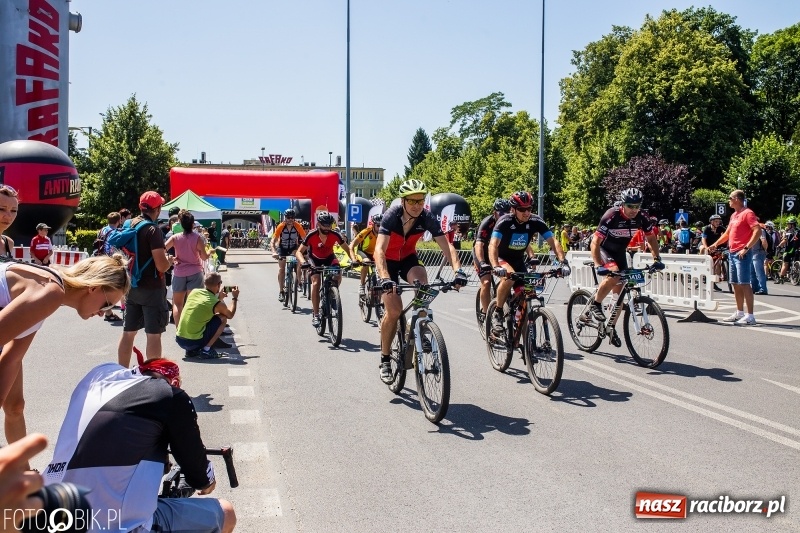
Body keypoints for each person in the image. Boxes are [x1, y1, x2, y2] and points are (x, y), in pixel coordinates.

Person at [44, 353, 236, 533]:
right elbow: (200, 476)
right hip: (114, 525)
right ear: (173, 382)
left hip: (50, 512)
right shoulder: (169, 395)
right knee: (226, 513)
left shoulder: (99, 375)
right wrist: (207, 481)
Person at [0, 248, 129, 449]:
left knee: (15, 406)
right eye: (106, 305)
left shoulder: (52, 292)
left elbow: (12, 358)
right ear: (94, 287)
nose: (104, 313)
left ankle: (23, 472)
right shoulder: (51, 292)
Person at [373, 179, 468, 382]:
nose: (417, 205)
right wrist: (384, 278)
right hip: (387, 263)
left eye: (420, 200)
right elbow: (379, 250)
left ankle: (419, 325)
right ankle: (385, 359)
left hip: (408, 259)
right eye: (412, 201)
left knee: (423, 284)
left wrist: (458, 271)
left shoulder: (426, 217)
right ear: (404, 201)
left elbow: (447, 246)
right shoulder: (392, 216)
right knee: (394, 310)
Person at [487, 191, 569, 335]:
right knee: (509, 277)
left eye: (529, 209)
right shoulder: (505, 221)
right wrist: (495, 266)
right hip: (502, 258)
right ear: (513, 209)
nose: (526, 213)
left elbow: (553, 243)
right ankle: (498, 312)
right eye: (522, 209)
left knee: (528, 291)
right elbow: (493, 245)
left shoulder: (535, 221)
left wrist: (563, 262)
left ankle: (522, 330)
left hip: (518, 260)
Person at [586, 188, 662, 325]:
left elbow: (651, 239)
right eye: (630, 206)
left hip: (620, 251)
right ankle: (596, 304)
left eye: (637, 206)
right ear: (623, 204)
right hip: (603, 248)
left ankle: (611, 328)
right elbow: (595, 243)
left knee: (619, 295)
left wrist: (656, 259)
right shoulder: (612, 215)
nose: (634, 210)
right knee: (614, 273)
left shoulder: (642, 216)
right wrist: (598, 265)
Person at [118, 191, 173, 367]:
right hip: (152, 288)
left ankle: (122, 373)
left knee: (128, 333)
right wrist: (169, 261)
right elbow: (161, 265)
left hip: (131, 285)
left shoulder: (129, 223)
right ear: (157, 208)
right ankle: (152, 376)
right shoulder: (152, 230)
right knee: (153, 334)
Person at [709, 190, 762, 325]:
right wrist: (715, 244)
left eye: (730, 198)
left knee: (744, 283)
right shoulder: (734, 215)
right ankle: (739, 313)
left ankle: (750, 316)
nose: (729, 200)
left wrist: (746, 247)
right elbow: (727, 233)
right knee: (735, 284)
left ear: (737, 199)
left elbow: (757, 230)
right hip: (732, 252)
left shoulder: (747, 213)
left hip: (741, 252)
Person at [296, 211, 356, 328]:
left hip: (329, 258)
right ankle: (316, 314)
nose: (327, 227)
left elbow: (347, 249)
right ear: (318, 224)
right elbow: (299, 251)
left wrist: (353, 259)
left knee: (338, 274)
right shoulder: (311, 235)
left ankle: (333, 294)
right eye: (325, 225)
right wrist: (303, 262)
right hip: (315, 260)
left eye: (329, 225)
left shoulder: (335, 235)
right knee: (316, 282)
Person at [165, 210, 211, 327]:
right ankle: (190, 330)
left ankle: (179, 330)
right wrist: (209, 252)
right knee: (193, 303)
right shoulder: (197, 238)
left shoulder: (175, 237)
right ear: (192, 224)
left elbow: (161, 248)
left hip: (179, 272)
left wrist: (170, 257)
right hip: (195, 272)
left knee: (177, 304)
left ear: (180, 224)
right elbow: (204, 257)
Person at [176, 272, 238, 358]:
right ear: (219, 284)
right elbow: (230, 314)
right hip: (194, 342)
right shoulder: (215, 303)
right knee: (223, 318)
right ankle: (206, 350)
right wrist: (234, 298)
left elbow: (206, 307)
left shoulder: (194, 292)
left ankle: (190, 352)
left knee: (199, 318)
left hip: (180, 340)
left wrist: (219, 297)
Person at [472, 199, 511, 323]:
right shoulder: (487, 223)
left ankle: (500, 300)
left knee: (508, 277)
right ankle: (486, 312)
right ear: (495, 213)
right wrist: (482, 262)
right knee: (487, 282)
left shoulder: (510, 222)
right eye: (501, 213)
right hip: (482, 253)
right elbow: (479, 245)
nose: (504, 216)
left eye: (507, 213)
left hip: (498, 253)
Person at [271, 209, 307, 301]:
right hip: (282, 248)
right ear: (285, 218)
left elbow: (305, 239)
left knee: (298, 259)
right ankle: (281, 291)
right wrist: (274, 251)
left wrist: (309, 250)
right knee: (281, 269)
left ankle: (298, 282)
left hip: (293, 249)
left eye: (292, 218)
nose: (290, 219)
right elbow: (273, 241)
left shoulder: (297, 226)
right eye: (288, 217)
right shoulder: (281, 226)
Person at [350, 213, 383, 296]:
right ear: (374, 225)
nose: (380, 228)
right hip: (364, 252)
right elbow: (352, 245)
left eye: (382, 225)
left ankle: (378, 302)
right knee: (367, 262)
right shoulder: (366, 232)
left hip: (377, 253)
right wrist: (354, 259)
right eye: (378, 225)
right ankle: (362, 284)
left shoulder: (385, 233)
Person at [701, 214, 726, 291]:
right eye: (716, 221)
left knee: (716, 263)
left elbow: (727, 235)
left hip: (715, 246)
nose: (718, 223)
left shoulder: (721, 228)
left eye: (719, 221)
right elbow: (703, 239)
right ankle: (702, 262)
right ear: (711, 222)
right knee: (702, 248)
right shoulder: (707, 228)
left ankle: (713, 281)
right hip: (707, 245)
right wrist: (706, 248)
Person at [749, 220, 770, 295]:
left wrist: (765, 250)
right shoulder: (750, 230)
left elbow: (764, 241)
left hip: (758, 253)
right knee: (752, 272)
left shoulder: (760, 230)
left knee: (759, 272)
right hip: (751, 253)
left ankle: (763, 289)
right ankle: (755, 288)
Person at [776, 216, 799, 281]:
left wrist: (779, 246)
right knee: (796, 262)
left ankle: (781, 277)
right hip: (797, 250)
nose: (787, 225)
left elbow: (784, 240)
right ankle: (796, 275)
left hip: (789, 250)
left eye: (788, 224)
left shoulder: (789, 232)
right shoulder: (799, 230)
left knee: (785, 263)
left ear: (792, 224)